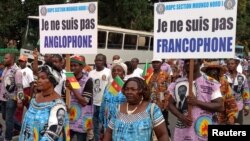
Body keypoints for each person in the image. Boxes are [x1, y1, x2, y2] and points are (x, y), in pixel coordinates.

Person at [168, 59, 224, 141]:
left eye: (192, 61)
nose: (188, 64)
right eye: (186, 61)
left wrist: (196, 102)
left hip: (203, 130)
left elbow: (220, 107)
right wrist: (181, 117)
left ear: (200, 62)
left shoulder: (211, 82)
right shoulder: (178, 83)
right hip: (183, 132)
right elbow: (169, 104)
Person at [103, 77, 170, 141]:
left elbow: (162, 135)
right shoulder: (118, 109)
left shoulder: (152, 109)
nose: (129, 92)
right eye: (127, 89)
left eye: (133, 89)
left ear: (141, 91)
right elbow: (109, 132)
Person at [18, 65, 70, 141]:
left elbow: (52, 135)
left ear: (52, 80)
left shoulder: (58, 105)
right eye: (38, 78)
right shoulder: (36, 97)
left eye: (43, 78)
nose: (39, 80)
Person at [201, 60, 238, 124]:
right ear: (206, 72)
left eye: (215, 69)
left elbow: (230, 100)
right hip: (205, 118)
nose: (213, 72)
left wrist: (231, 115)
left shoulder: (224, 82)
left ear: (218, 71)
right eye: (210, 70)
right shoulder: (201, 82)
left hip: (221, 118)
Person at [66, 55, 94, 141]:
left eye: (75, 65)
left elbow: (84, 102)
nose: (73, 67)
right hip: (69, 116)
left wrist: (73, 89)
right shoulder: (69, 78)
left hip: (82, 118)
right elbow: (66, 97)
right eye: (71, 65)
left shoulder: (88, 80)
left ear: (81, 67)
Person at [0, 53, 23, 141]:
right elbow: (3, 81)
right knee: (5, 117)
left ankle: (7, 138)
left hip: (11, 99)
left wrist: (20, 100)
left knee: (9, 120)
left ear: (12, 59)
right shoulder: (5, 69)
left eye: (6, 58)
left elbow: (20, 87)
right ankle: (22, 128)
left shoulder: (17, 71)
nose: (4, 59)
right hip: (3, 98)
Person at [99, 58, 127, 130]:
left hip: (121, 122)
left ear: (124, 73)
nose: (116, 72)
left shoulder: (128, 87)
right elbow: (103, 103)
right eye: (114, 71)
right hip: (107, 121)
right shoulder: (108, 87)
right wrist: (101, 118)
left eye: (119, 70)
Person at [89, 54, 111, 141]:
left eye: (100, 60)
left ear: (104, 62)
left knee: (104, 124)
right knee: (95, 124)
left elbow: (111, 86)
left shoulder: (108, 72)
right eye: (97, 60)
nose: (98, 62)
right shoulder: (91, 73)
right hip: (93, 102)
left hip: (104, 103)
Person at [148, 58, 171, 136]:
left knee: (163, 125)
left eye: (157, 62)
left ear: (161, 63)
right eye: (153, 62)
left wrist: (166, 104)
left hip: (162, 104)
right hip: (150, 104)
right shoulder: (148, 75)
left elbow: (169, 90)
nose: (155, 64)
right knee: (151, 124)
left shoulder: (166, 75)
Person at [225, 58, 250, 124]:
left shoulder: (242, 77)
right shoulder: (223, 77)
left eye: (232, 64)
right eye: (228, 64)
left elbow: (245, 91)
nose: (230, 65)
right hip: (226, 107)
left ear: (236, 65)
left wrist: (247, 105)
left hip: (238, 106)